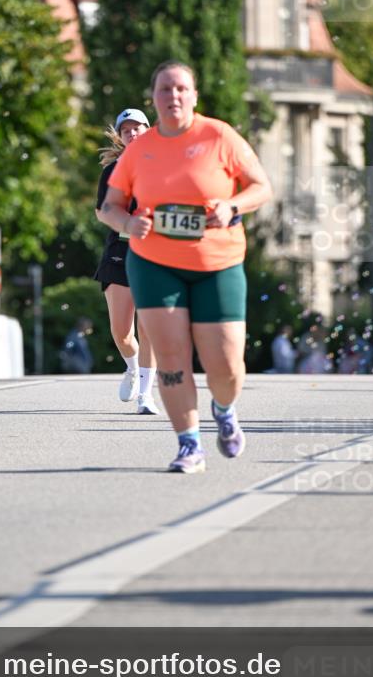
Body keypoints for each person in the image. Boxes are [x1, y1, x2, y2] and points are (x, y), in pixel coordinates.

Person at [100, 61, 273, 473]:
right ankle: (188, 443)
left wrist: (232, 205)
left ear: (194, 95)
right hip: (155, 264)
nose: (173, 96)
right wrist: (128, 222)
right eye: (164, 89)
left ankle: (225, 408)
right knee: (172, 356)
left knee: (227, 364)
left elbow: (261, 186)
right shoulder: (140, 149)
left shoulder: (219, 136)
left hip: (218, 261)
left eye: (181, 89)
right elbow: (109, 207)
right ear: (154, 97)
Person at [94, 108, 158, 415]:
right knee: (121, 332)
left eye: (138, 128)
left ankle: (146, 394)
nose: (133, 133)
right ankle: (132, 368)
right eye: (127, 130)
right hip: (120, 253)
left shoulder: (163, 165)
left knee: (149, 327)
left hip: (156, 255)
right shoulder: (113, 171)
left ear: (148, 130)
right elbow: (102, 211)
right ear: (120, 136)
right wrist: (128, 224)